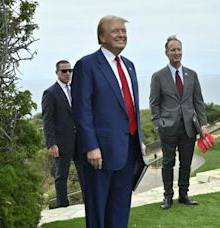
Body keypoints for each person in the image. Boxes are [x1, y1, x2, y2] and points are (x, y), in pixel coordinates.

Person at [71, 15, 147, 228]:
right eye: (116, 31)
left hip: (128, 151)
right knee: (98, 211)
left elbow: (131, 108)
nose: (122, 35)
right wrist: (91, 146)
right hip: (100, 154)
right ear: (101, 36)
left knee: (120, 207)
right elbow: (81, 110)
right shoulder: (87, 65)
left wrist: (138, 138)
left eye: (124, 31)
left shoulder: (129, 66)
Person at [149, 35, 208, 209]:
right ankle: (167, 196)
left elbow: (199, 101)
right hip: (168, 128)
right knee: (168, 162)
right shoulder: (158, 76)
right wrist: (159, 123)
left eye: (179, 49)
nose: (176, 53)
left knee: (186, 163)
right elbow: (154, 103)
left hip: (189, 128)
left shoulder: (192, 75)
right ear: (166, 52)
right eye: (173, 50)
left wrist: (203, 125)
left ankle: (184, 194)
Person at [42, 60, 85, 208]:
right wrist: (51, 144)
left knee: (84, 173)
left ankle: (89, 201)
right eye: (64, 71)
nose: (67, 73)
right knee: (61, 176)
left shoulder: (76, 90)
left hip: (80, 141)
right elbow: (47, 121)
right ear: (57, 73)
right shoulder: (50, 93)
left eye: (70, 70)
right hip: (61, 143)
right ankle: (62, 206)